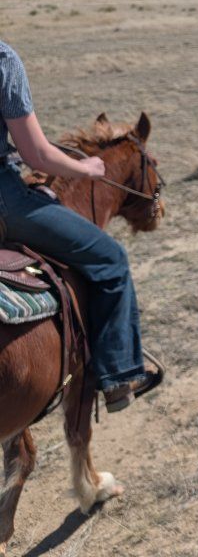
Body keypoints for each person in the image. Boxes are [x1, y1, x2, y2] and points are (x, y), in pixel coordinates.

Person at [0, 38, 155, 411]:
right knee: (111, 259)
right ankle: (118, 376)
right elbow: (35, 153)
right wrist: (85, 168)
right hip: (6, 201)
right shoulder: (4, 60)